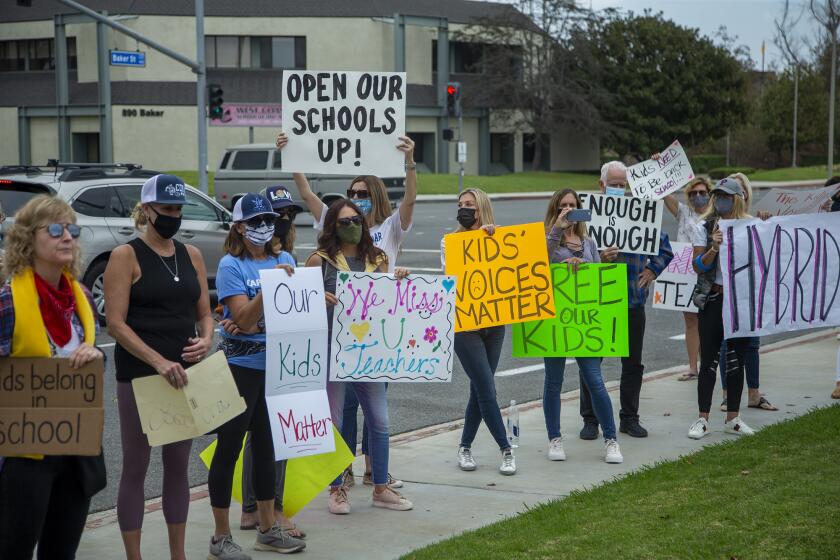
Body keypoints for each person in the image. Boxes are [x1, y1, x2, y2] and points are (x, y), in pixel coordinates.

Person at [276, 132, 416, 488]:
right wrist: (293, 155)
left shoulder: (386, 237)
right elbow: (307, 195)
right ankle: (341, 476)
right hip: (335, 340)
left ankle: (375, 473)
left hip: (373, 337)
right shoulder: (326, 245)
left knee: (377, 416)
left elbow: (411, 202)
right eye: (351, 195)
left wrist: (410, 162)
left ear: (375, 197)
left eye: (362, 195)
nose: (355, 201)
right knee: (342, 412)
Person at [105, 174, 214, 560]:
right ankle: (134, 555)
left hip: (182, 374)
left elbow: (204, 311)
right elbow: (115, 323)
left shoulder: (192, 255)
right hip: (140, 374)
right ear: (146, 210)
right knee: (136, 464)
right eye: (165, 209)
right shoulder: (126, 256)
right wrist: (157, 361)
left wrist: (206, 337)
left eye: (178, 210)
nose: (173, 216)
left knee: (177, 466)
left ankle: (177, 554)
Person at [0, 195, 107, 559]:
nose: (67, 237)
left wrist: (95, 358)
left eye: (72, 229)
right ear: (28, 238)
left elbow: (91, 369)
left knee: (61, 551)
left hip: (75, 450)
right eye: (56, 229)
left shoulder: (80, 298)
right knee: (13, 548)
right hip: (23, 455)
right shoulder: (8, 300)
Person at [209, 193, 305, 558]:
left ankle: (267, 528)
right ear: (239, 226)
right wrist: (267, 293)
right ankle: (221, 537)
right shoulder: (232, 265)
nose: (265, 227)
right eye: (255, 222)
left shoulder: (286, 259)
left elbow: (285, 318)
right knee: (229, 448)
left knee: (267, 448)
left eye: (268, 219)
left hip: (276, 367)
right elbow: (245, 321)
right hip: (240, 371)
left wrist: (251, 318)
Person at [305, 199, 413, 514]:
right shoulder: (319, 260)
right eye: (343, 221)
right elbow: (300, 305)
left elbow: (388, 301)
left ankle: (380, 487)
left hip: (369, 353)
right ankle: (336, 489)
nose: (351, 225)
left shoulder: (377, 258)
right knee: (335, 422)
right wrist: (316, 300)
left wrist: (399, 278)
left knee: (379, 421)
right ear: (332, 227)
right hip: (331, 351)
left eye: (356, 220)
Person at [579, 161, 674, 440]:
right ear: (601, 186)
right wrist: (598, 258)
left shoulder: (639, 214)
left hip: (632, 301)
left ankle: (629, 418)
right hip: (599, 301)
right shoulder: (587, 216)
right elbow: (570, 252)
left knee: (632, 363)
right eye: (614, 185)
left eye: (623, 185)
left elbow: (665, 248)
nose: (619, 189)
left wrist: (652, 269)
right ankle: (590, 420)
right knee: (591, 362)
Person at [541, 189, 623, 464]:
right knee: (553, 383)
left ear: (580, 209)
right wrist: (559, 241)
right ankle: (555, 438)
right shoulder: (547, 238)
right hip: (555, 321)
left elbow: (598, 279)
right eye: (562, 205)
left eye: (572, 205)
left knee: (595, 380)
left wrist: (586, 264)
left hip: (584, 323)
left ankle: (611, 439)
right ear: (555, 209)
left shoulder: (588, 243)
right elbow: (538, 262)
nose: (567, 210)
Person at [440, 188, 517, 475]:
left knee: (479, 388)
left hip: (495, 323)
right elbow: (453, 276)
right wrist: (475, 241)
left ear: (482, 208)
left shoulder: (500, 238)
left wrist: (493, 240)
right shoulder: (451, 242)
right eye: (460, 204)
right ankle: (505, 449)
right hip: (466, 324)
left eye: (470, 204)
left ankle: (464, 446)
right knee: (487, 387)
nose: (464, 209)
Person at [687, 178, 756, 439]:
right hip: (714, 300)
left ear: (737, 199)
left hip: (739, 302)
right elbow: (698, 266)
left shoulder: (750, 226)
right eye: (718, 195)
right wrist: (714, 248)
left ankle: (733, 418)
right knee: (709, 361)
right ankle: (702, 418)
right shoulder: (703, 227)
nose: (720, 200)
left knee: (737, 360)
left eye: (725, 196)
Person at [715, 173, 777, 412]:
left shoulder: (754, 223)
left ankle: (753, 393)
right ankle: (726, 394)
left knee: (753, 342)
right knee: (726, 341)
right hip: (727, 292)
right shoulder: (716, 223)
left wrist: (766, 222)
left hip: (751, 291)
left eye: (737, 190)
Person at [664, 177, 712, 382]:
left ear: (710, 193)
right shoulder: (683, 212)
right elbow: (664, 194)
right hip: (686, 273)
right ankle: (693, 367)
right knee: (691, 321)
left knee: (710, 322)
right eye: (693, 193)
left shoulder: (717, 214)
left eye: (702, 192)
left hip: (710, 273)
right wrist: (660, 170)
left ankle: (709, 364)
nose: (698, 196)